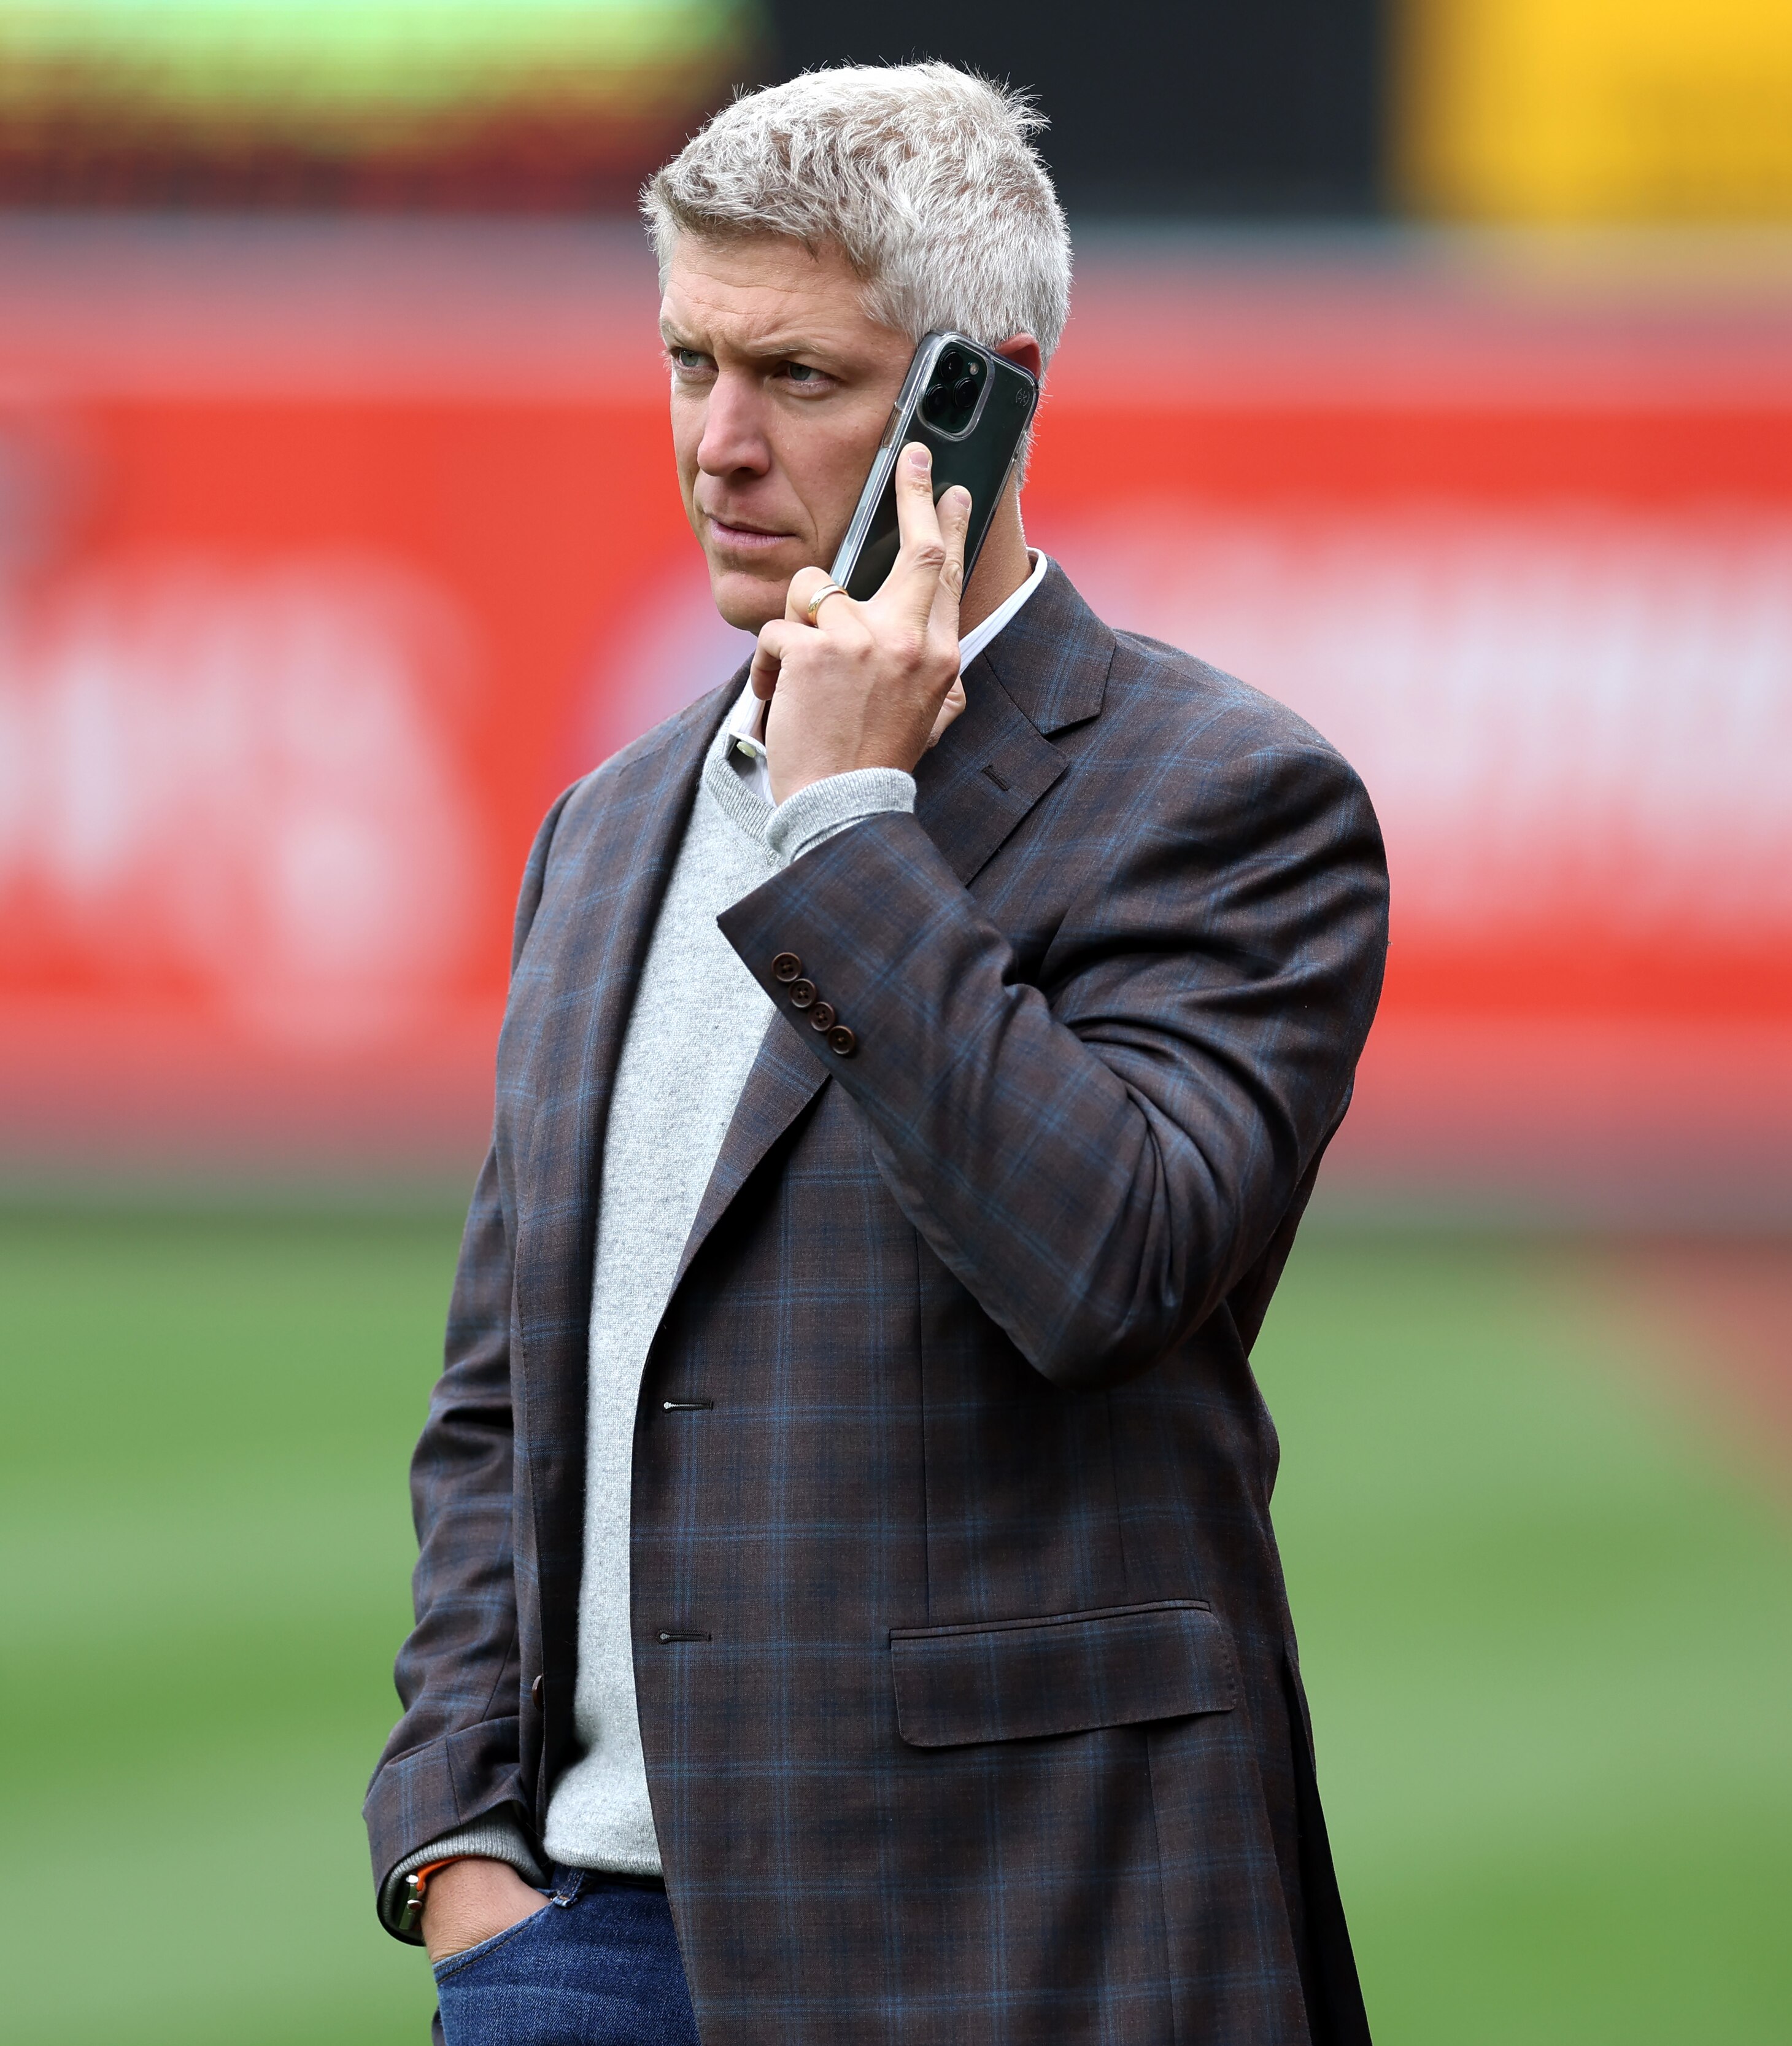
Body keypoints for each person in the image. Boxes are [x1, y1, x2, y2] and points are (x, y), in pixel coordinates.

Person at [365, 61, 1389, 2046]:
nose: (719, 448)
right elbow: (506, 1390)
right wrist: (462, 1854)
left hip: (1021, 1945)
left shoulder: (1232, 799)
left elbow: (1106, 1266)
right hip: (579, 1955)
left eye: (802, 381)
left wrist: (848, 834)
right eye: (688, 361)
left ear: (979, 398)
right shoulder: (606, 828)